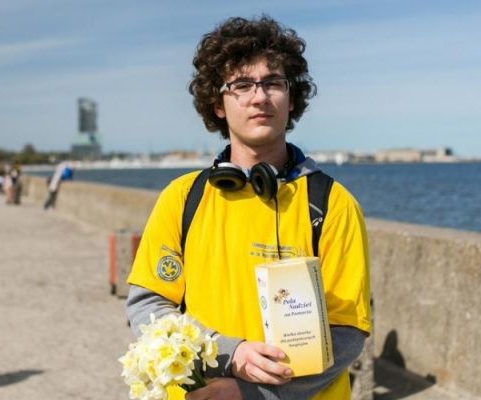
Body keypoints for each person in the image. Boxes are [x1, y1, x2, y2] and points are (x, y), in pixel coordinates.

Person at [125, 16, 371, 400]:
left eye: (273, 83)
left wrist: (249, 393)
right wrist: (230, 354)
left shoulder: (333, 204)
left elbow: (347, 333)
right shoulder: (182, 197)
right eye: (241, 84)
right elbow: (148, 307)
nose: (260, 97)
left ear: (292, 98)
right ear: (217, 105)